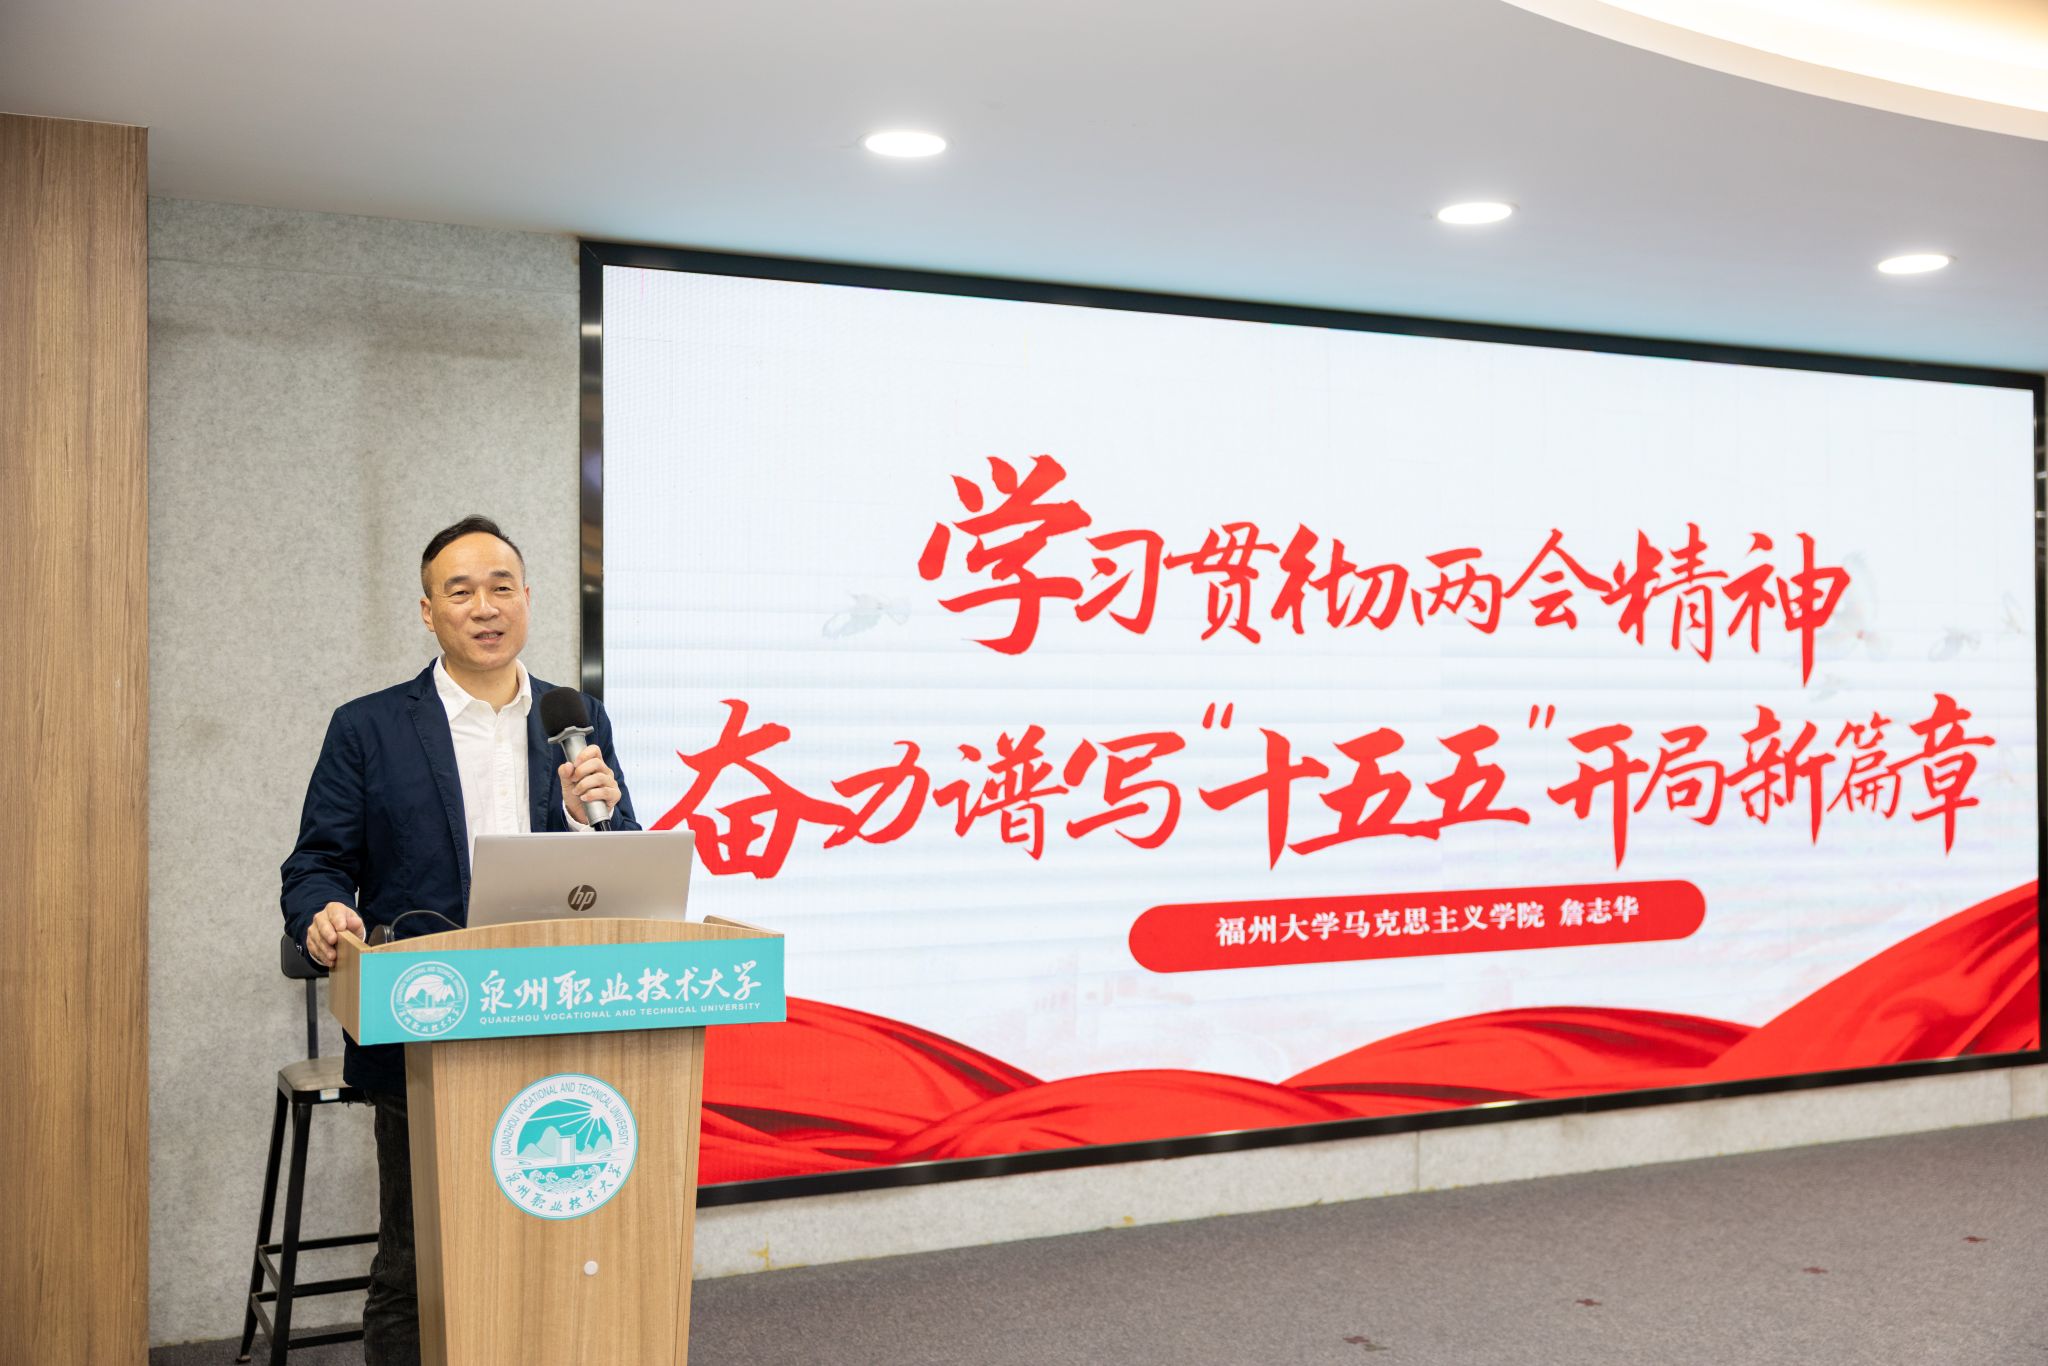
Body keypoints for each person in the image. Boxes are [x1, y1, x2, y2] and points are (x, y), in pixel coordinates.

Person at [279, 515, 639, 1366]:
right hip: (428, 1018)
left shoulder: (574, 717)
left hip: (560, 1014)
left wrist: (592, 820)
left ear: (528, 599)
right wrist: (324, 913)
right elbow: (316, 864)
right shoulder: (369, 727)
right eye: (462, 591)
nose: (486, 607)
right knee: (419, 1263)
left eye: (502, 587)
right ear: (427, 611)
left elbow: (623, 860)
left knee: (557, 1248)